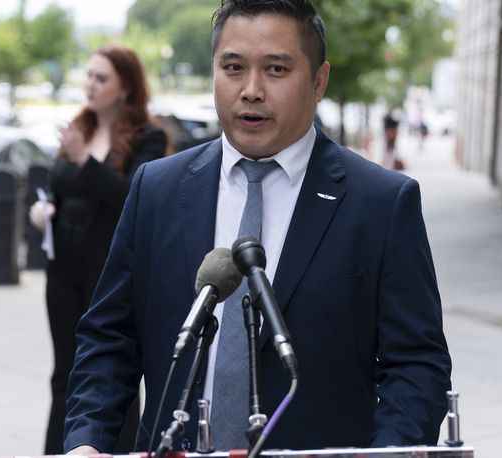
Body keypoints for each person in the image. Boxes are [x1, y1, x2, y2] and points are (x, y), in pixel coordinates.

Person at [64, 0, 451, 454]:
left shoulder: (381, 203)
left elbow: (416, 364)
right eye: (232, 67)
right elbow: (109, 338)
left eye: (276, 70)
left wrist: (390, 450)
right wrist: (86, 441)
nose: (250, 90)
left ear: (319, 80)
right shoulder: (159, 189)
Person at [27, 44, 168, 455]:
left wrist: (84, 159)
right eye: (88, 75)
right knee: (64, 372)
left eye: (101, 78)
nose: (90, 85)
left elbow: (131, 196)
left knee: (110, 368)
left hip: (110, 270)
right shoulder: (79, 127)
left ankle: (114, 450)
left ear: (125, 87)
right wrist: (43, 207)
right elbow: (59, 186)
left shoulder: (148, 136)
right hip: (64, 266)